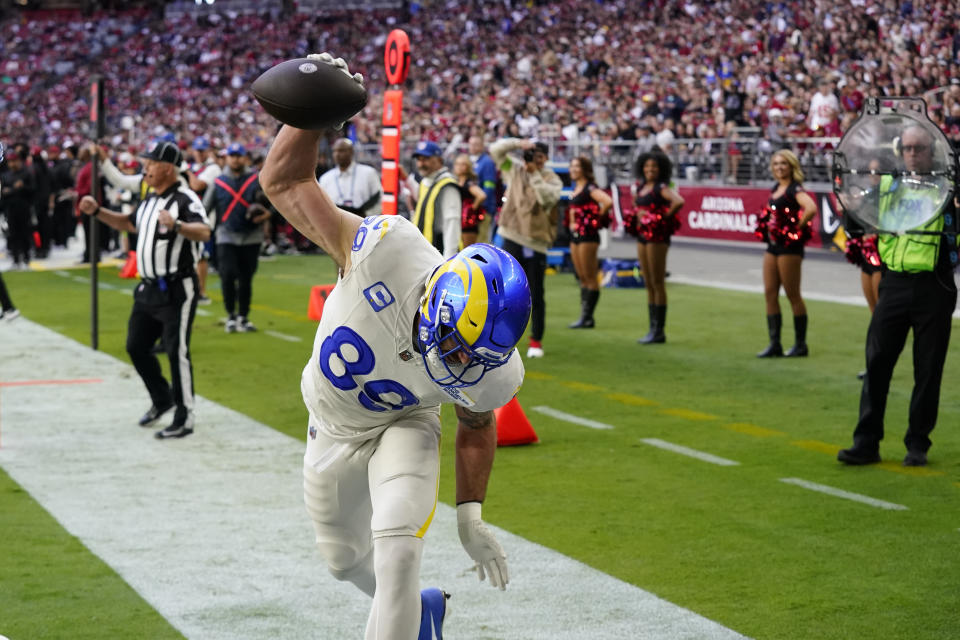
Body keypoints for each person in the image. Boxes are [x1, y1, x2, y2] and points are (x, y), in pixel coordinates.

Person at [258, 53, 531, 640]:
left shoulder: (489, 367)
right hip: (331, 427)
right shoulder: (386, 251)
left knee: (398, 547)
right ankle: (420, 609)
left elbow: (478, 425)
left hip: (406, 420)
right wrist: (310, 117)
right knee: (346, 562)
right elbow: (283, 183)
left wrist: (470, 515)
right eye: (457, 347)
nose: (460, 365)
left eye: (473, 357)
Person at [838, 124, 959, 467]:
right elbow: (857, 223)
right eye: (906, 148)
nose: (912, 154)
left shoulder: (948, 188)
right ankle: (866, 442)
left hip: (934, 285)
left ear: (933, 150)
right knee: (877, 363)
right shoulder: (889, 185)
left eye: (919, 148)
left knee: (928, 367)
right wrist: (850, 201)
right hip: (892, 282)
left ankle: (917, 443)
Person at [77, 140, 211, 440]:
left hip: (177, 287)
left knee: (178, 353)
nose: (145, 167)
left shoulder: (185, 198)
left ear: (166, 168)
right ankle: (162, 398)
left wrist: (177, 226)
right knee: (136, 346)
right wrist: (97, 211)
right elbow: (129, 223)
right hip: (148, 288)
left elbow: (204, 230)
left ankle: (184, 416)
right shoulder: (150, 198)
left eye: (150, 163)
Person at [489, 138, 562, 358]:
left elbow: (547, 199)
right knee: (505, 292)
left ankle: (536, 341)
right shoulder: (514, 169)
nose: (534, 160)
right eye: (532, 155)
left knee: (536, 293)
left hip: (536, 241)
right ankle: (502, 339)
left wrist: (534, 174)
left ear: (546, 158)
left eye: (539, 156)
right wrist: (520, 143)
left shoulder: (552, 178)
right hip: (511, 234)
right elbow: (495, 150)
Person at [754, 150, 817, 358]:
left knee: (792, 294)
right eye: (776, 164)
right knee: (770, 293)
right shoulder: (776, 188)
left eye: (783, 164)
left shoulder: (794, 189)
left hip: (789, 248)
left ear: (791, 166)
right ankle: (775, 344)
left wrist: (794, 229)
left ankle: (801, 344)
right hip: (773, 247)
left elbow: (810, 208)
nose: (779, 167)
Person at [204, 143, 271, 333]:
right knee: (227, 275)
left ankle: (243, 316)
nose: (235, 159)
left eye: (238, 155)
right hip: (225, 235)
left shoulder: (257, 180)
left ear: (245, 158)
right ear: (227, 158)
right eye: (231, 155)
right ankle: (231, 315)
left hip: (252, 236)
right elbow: (205, 208)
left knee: (246, 279)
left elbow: (275, 201)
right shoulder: (218, 182)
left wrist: (268, 215)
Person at [630, 150, 684, 344]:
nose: (650, 169)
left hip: (657, 239)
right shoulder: (642, 187)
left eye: (654, 166)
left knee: (657, 281)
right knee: (648, 282)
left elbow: (678, 202)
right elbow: (637, 208)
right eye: (647, 166)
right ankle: (652, 328)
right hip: (643, 237)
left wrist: (661, 218)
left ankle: (659, 330)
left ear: (661, 169)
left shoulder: (661, 187)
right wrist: (639, 216)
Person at [566, 156, 613, 329]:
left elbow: (607, 202)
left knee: (589, 276)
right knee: (582, 276)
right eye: (572, 166)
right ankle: (584, 316)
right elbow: (573, 210)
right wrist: (572, 222)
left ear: (585, 169)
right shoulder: (576, 188)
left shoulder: (589, 188)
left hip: (588, 236)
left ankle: (588, 317)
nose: (573, 169)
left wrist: (594, 218)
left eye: (577, 166)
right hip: (576, 236)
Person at [406, 140, 461, 259]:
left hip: (439, 250)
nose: (420, 164)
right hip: (425, 250)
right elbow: (424, 205)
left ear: (439, 160)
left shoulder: (448, 186)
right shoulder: (426, 182)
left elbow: (452, 223)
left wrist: (449, 261)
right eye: (419, 160)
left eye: (425, 159)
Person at [187, 136, 221, 305]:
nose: (199, 154)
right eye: (197, 150)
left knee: (201, 255)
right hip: (189, 216)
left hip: (205, 217)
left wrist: (184, 171)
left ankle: (201, 291)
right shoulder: (194, 167)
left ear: (207, 151)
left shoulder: (212, 168)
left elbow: (197, 185)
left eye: (202, 151)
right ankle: (192, 289)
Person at [317, 138, 382, 217]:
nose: (337, 154)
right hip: (336, 223)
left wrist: (368, 218)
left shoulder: (369, 173)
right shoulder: (325, 178)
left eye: (341, 151)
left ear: (351, 151)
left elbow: (379, 198)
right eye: (334, 151)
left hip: (364, 222)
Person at [0, 145, 35, 270]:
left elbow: (32, 190)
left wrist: (21, 188)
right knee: (13, 235)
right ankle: (15, 260)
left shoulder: (26, 173)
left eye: (14, 160)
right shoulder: (6, 176)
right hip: (11, 209)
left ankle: (26, 259)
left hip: (24, 208)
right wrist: (14, 189)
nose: (12, 163)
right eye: (10, 161)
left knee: (25, 234)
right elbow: (3, 192)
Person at [452, 153, 487, 248]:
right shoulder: (457, 181)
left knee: (467, 251)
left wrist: (471, 209)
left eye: (463, 164)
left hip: (468, 224)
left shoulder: (469, 182)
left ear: (468, 167)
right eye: (457, 164)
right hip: (460, 221)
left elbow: (481, 195)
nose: (459, 167)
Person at [468, 134, 498, 241]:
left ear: (482, 146)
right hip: (474, 208)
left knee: (482, 240)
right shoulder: (472, 161)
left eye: (476, 145)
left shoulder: (487, 162)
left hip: (483, 209)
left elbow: (489, 187)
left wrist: (480, 205)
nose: (473, 147)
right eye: (471, 144)